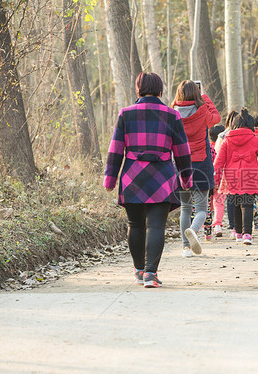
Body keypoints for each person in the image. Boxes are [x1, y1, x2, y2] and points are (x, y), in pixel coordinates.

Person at [103, 72, 192, 288]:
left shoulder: (126, 114)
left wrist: (110, 178)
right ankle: (151, 275)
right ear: (160, 90)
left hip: (132, 175)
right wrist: (186, 177)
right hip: (162, 177)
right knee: (156, 226)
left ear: (138, 89)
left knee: (135, 224)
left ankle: (139, 270)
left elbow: (116, 148)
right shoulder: (172, 115)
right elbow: (182, 150)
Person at [172, 80, 221, 258]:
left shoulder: (173, 113)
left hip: (180, 164)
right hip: (201, 163)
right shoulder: (203, 111)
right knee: (201, 209)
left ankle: (186, 248)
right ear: (197, 93)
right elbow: (216, 118)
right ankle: (193, 230)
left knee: (185, 208)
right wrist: (205, 98)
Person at [214, 108, 258, 245]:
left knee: (235, 204)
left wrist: (216, 179)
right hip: (250, 176)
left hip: (231, 177)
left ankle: (238, 233)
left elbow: (218, 162)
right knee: (247, 204)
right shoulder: (255, 139)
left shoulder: (227, 140)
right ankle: (247, 234)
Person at [215, 111, 238, 238]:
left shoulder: (222, 135)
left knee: (228, 200)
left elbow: (218, 154)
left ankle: (232, 227)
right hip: (240, 171)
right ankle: (238, 227)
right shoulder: (244, 134)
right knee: (239, 199)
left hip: (226, 171)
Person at [209, 124, 226, 237]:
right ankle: (217, 225)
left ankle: (206, 226)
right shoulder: (223, 147)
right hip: (220, 179)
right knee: (219, 202)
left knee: (207, 203)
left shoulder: (207, 147)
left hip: (207, 179)